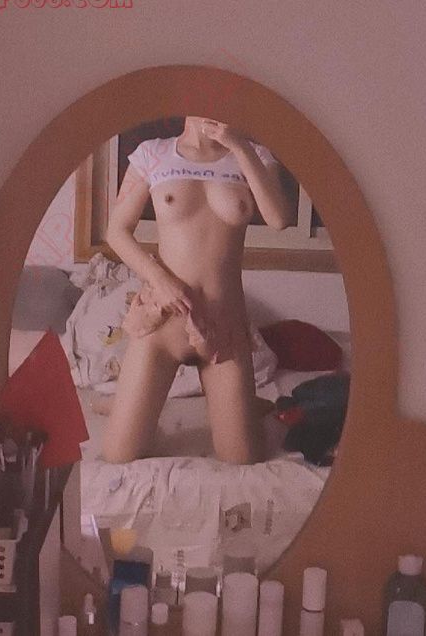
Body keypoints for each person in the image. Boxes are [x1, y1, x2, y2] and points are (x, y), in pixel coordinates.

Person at [101, 116, 293, 464]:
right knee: (119, 455)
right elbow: (116, 231)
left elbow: (279, 219)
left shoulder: (255, 157)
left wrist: (239, 145)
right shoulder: (153, 153)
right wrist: (160, 279)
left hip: (224, 326)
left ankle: (247, 406)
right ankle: (128, 406)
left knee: (242, 458)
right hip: (163, 324)